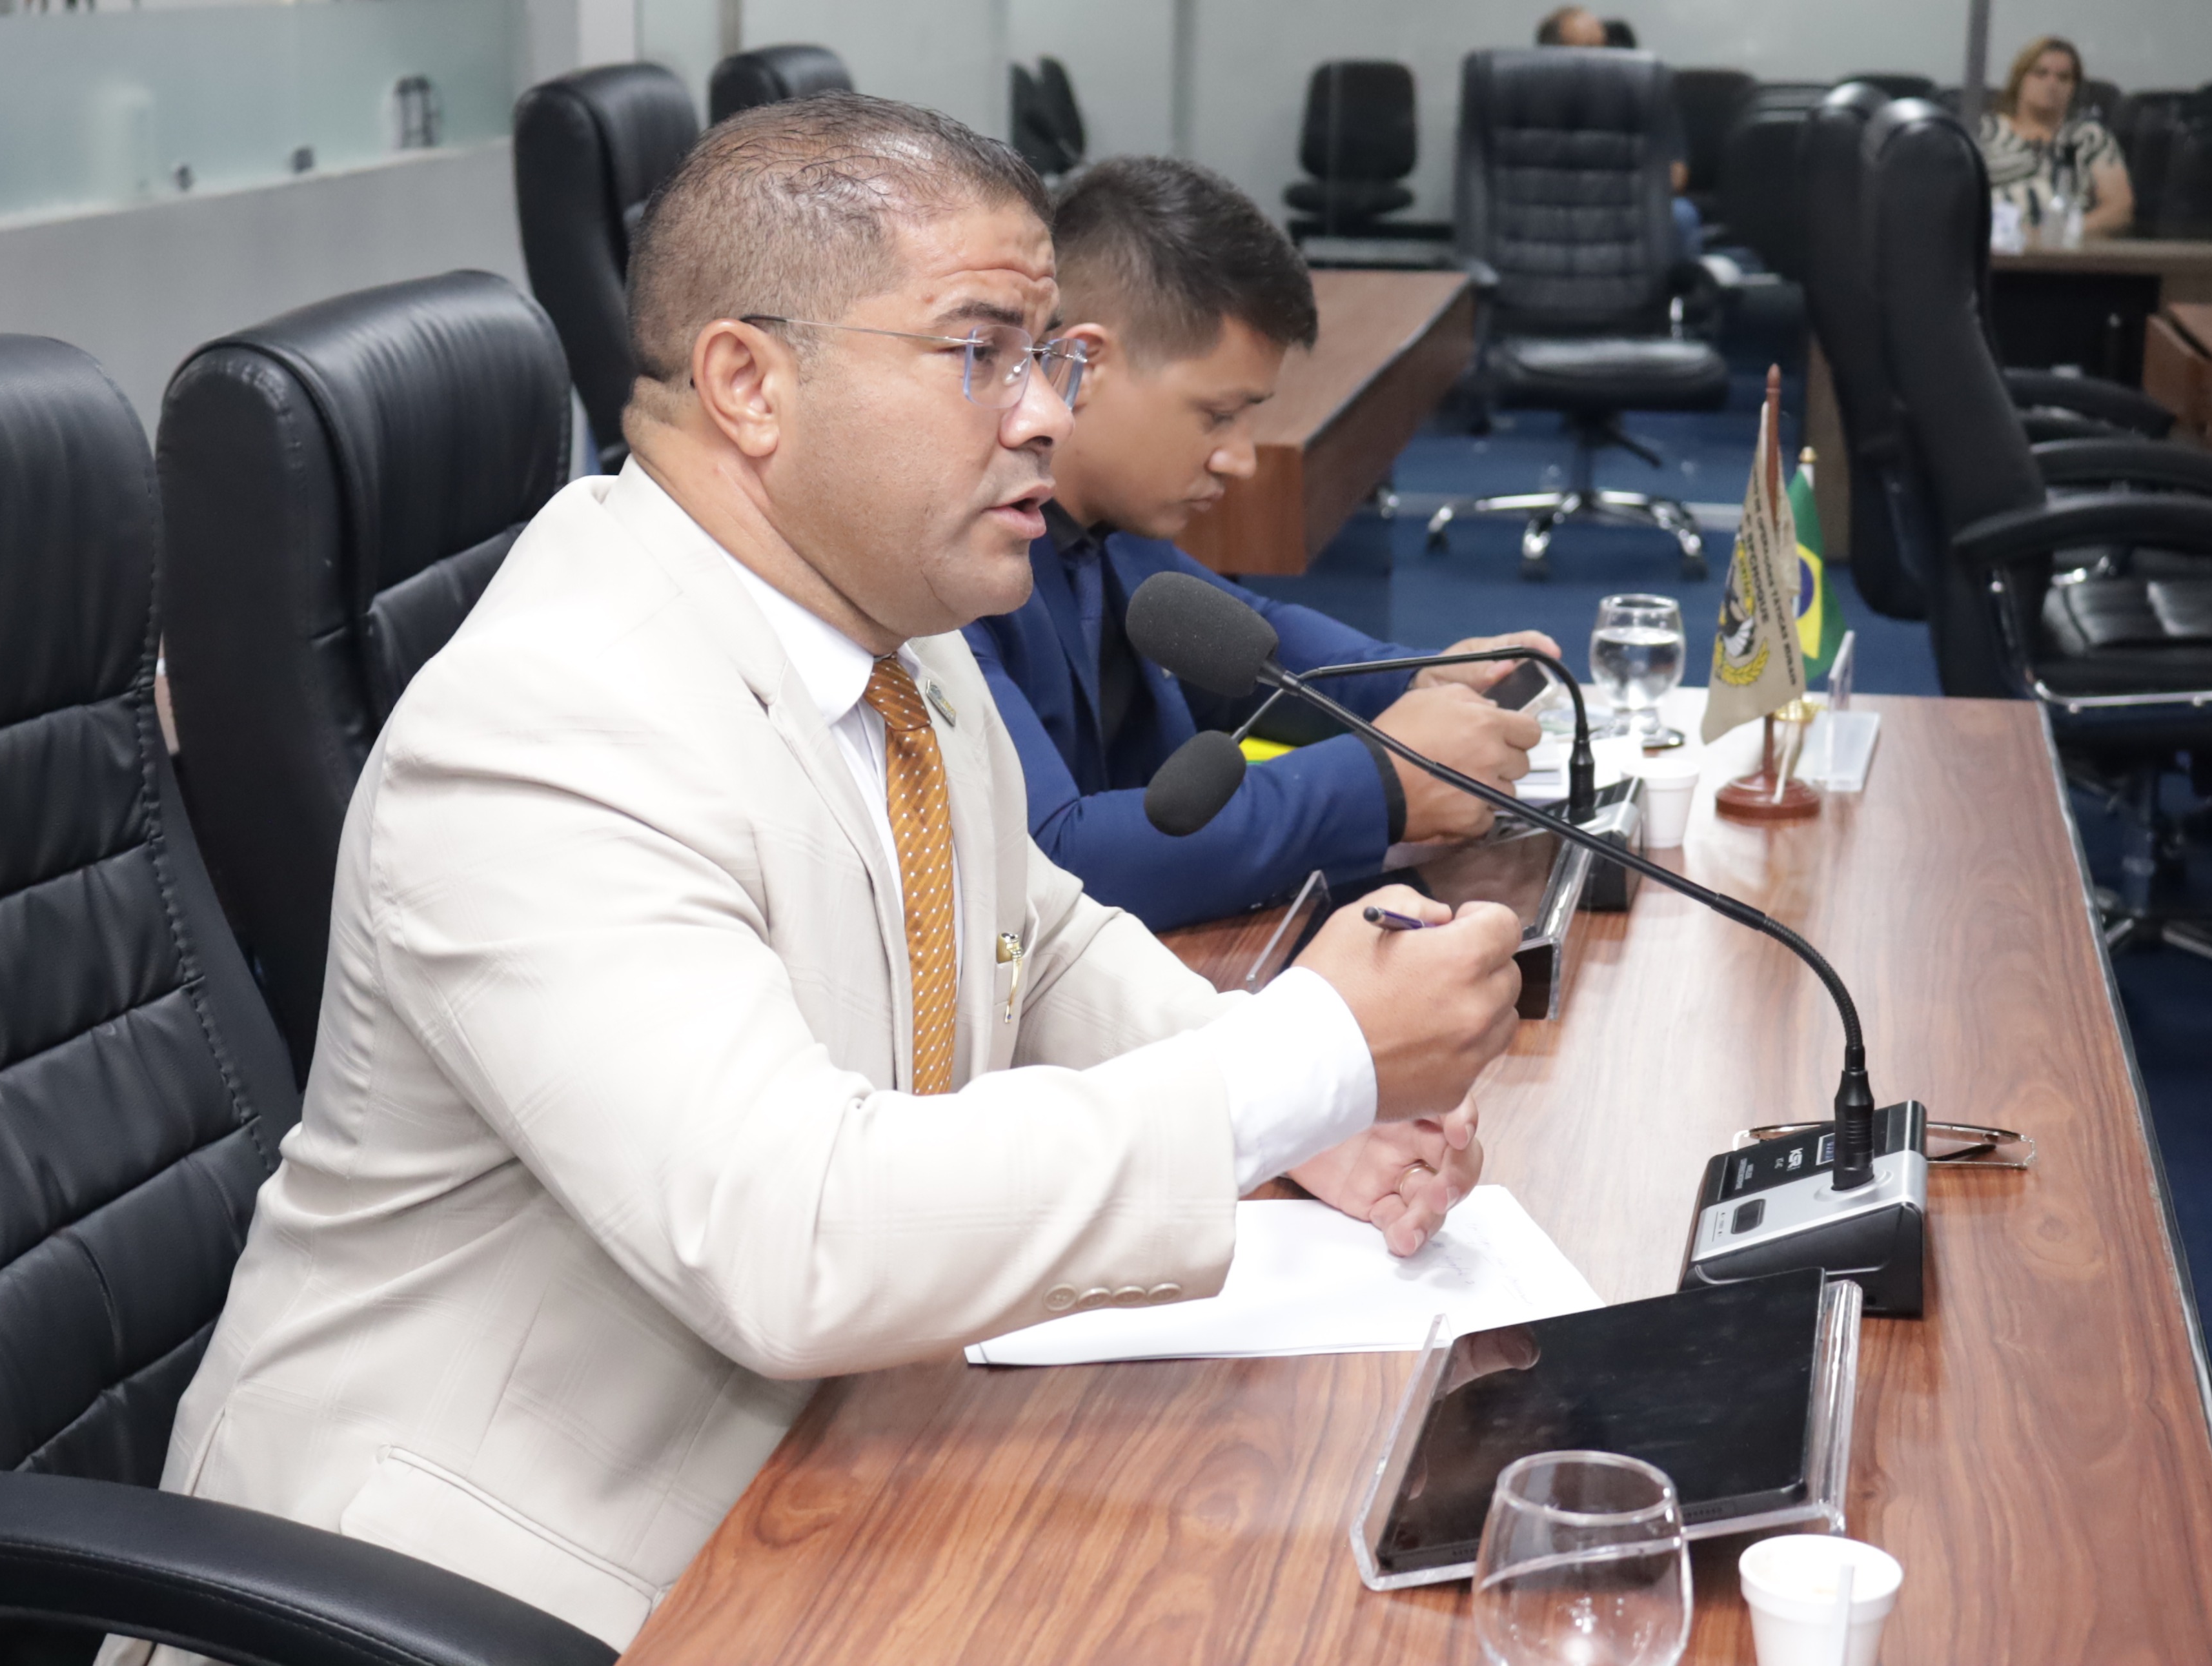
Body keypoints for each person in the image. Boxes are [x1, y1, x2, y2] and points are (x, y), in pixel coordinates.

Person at [107, 94, 1526, 1659]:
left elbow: (1036, 934)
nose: (1044, 415)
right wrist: (1298, 1061)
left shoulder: (894, 629)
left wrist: (1315, 1120)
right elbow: (794, 1235)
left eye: (1049, 358)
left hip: (816, 1471)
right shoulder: (549, 722)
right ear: (749, 384)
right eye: (980, 351)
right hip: (475, 1583)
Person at [963, 157, 1557, 933]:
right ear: (1089, 364)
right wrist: (1379, 781)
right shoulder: (950, 569)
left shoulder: (1114, 533)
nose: (1240, 459)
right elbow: (1056, 859)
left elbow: (1261, 651)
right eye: (1217, 415)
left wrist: (1421, 680)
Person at [1534, 6, 1701, 257]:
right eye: (1588, 49)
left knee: (1681, 216)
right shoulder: (1531, 105)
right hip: (1559, 208)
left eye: (1604, 46)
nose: (1603, 57)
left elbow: (1676, 177)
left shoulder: (1647, 93)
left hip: (1631, 203)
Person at [1978, 36, 2133, 241]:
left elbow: (2119, 210)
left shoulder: (2089, 137)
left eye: (2064, 78)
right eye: (2041, 74)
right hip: (1993, 247)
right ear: (2019, 79)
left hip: (2066, 251)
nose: (2052, 84)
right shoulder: (1985, 132)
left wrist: (2059, 234)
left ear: (2074, 87)